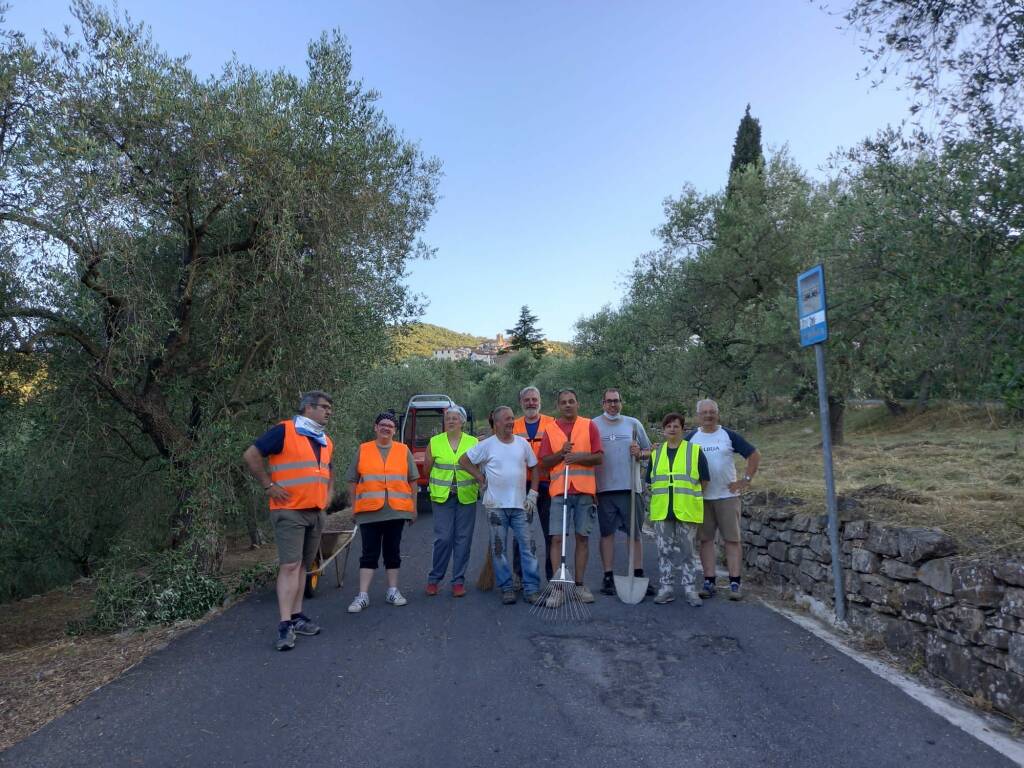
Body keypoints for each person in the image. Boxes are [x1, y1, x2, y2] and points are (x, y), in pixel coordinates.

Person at [242, 391, 335, 652]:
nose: (328, 411)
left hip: (315, 512)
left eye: (330, 408)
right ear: (308, 408)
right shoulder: (284, 431)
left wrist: (328, 495)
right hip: (290, 511)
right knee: (290, 565)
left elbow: (329, 470)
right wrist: (268, 485)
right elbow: (251, 454)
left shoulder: (325, 440)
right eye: (324, 407)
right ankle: (284, 624)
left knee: (304, 566)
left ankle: (297, 616)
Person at [459, 406, 542, 605]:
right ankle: (506, 588)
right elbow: (463, 460)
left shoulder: (522, 444)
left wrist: (533, 493)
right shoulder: (487, 445)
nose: (510, 422)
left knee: (528, 547)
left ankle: (531, 589)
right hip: (495, 506)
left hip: (521, 505)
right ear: (496, 423)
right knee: (499, 549)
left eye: (512, 418)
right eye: (506, 419)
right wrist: (479, 476)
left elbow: (535, 467)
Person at [685, 398, 761, 601]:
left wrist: (744, 480)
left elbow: (753, 455)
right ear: (698, 416)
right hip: (702, 498)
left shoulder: (728, 435)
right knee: (705, 540)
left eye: (712, 412)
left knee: (732, 540)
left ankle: (735, 583)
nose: (708, 415)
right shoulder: (691, 438)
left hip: (727, 497)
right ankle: (709, 582)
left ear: (717, 414)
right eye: (704, 412)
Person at [346, 411, 420, 613]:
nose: (386, 428)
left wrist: (413, 509)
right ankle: (362, 595)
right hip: (369, 512)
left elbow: (413, 481)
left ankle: (393, 591)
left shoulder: (403, 450)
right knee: (368, 553)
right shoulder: (363, 450)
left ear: (395, 431)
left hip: (396, 511)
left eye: (390, 426)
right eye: (383, 425)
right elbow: (352, 480)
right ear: (375, 427)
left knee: (392, 552)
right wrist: (354, 507)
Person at [537, 388, 603, 606]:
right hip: (559, 492)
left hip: (584, 492)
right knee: (556, 539)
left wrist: (577, 457)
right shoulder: (550, 429)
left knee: (582, 538)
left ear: (578, 404)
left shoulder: (589, 425)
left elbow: (598, 457)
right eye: (563, 402)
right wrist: (561, 453)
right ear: (558, 406)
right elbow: (544, 462)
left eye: (571, 401)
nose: (567, 405)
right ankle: (558, 587)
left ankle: (579, 585)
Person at [593, 388, 654, 598]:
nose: (613, 405)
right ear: (603, 403)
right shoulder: (593, 425)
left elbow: (649, 451)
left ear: (621, 402)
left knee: (634, 534)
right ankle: (608, 576)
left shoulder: (633, 424)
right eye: (609, 401)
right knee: (607, 534)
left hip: (631, 488)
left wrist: (640, 453)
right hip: (604, 489)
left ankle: (638, 572)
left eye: (616, 401)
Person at [647, 412, 710, 606]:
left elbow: (704, 480)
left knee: (688, 552)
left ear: (682, 429)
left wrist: (692, 497)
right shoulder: (656, 454)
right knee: (663, 551)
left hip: (686, 509)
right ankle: (666, 588)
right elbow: (650, 481)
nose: (672, 429)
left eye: (676, 426)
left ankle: (690, 589)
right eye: (668, 426)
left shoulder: (694, 451)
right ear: (663, 430)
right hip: (663, 511)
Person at [424, 405, 479, 598]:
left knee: (463, 540)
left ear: (463, 422)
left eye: (455, 418)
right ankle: (434, 579)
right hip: (442, 497)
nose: (451, 420)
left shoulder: (473, 442)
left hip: (467, 496)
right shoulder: (435, 442)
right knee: (443, 538)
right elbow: (427, 469)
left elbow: (479, 466)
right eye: (448, 417)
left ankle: (458, 581)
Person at [512, 385, 556, 582]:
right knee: (521, 533)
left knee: (550, 533)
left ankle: (552, 575)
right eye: (527, 400)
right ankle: (520, 576)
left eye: (534, 399)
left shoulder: (552, 423)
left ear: (540, 401)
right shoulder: (513, 425)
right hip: (521, 486)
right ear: (521, 403)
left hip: (547, 485)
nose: (531, 403)